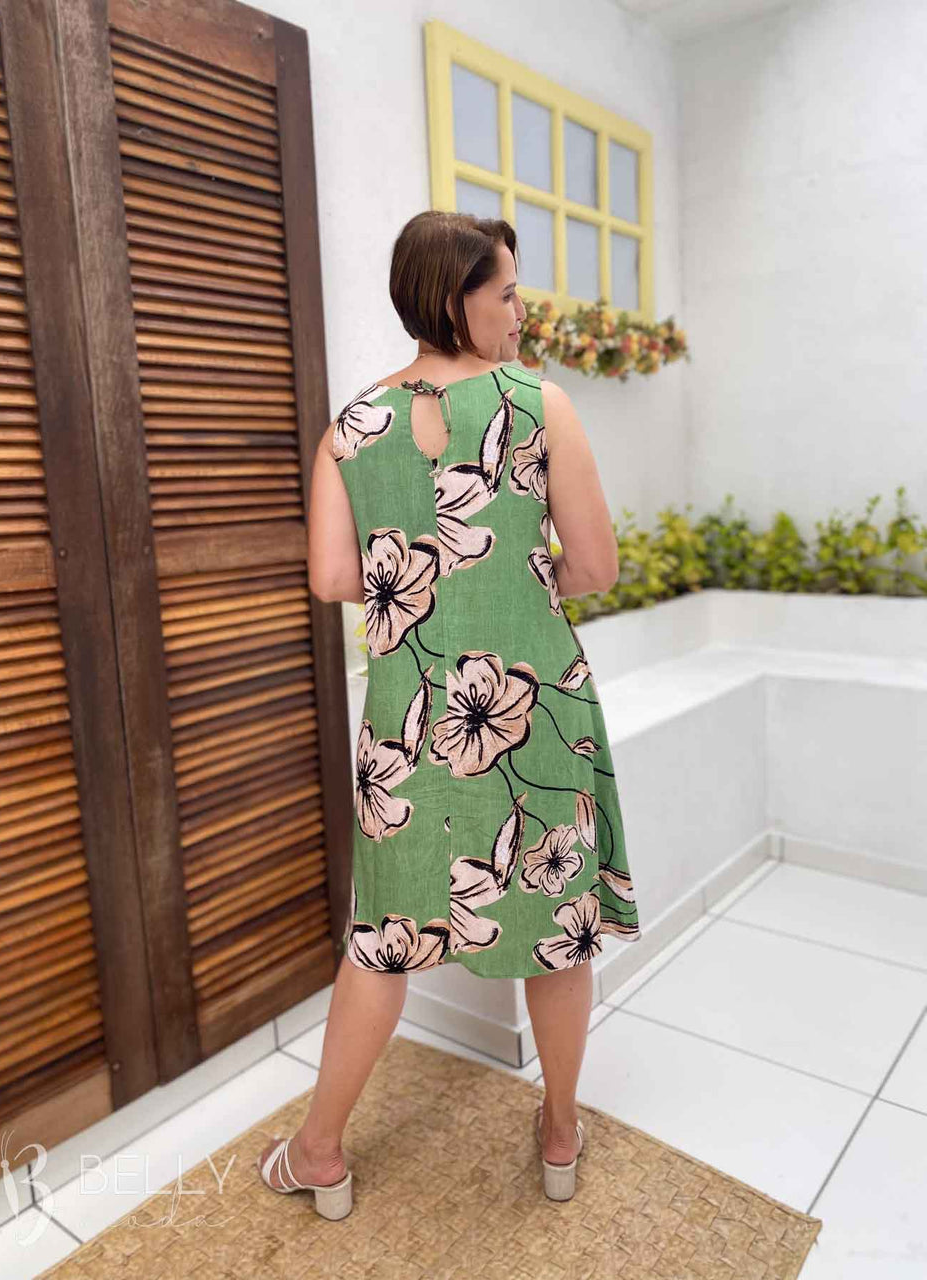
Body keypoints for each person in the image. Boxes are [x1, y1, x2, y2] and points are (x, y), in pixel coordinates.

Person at [257, 211, 641, 1216]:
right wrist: (509, 579)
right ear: (455, 298)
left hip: (410, 718)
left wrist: (420, 578)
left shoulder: (351, 428)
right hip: (535, 704)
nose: (520, 311)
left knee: (382, 934)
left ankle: (319, 1150)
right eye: (506, 293)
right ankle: (559, 1131)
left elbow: (332, 576)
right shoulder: (540, 404)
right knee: (556, 925)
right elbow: (596, 565)